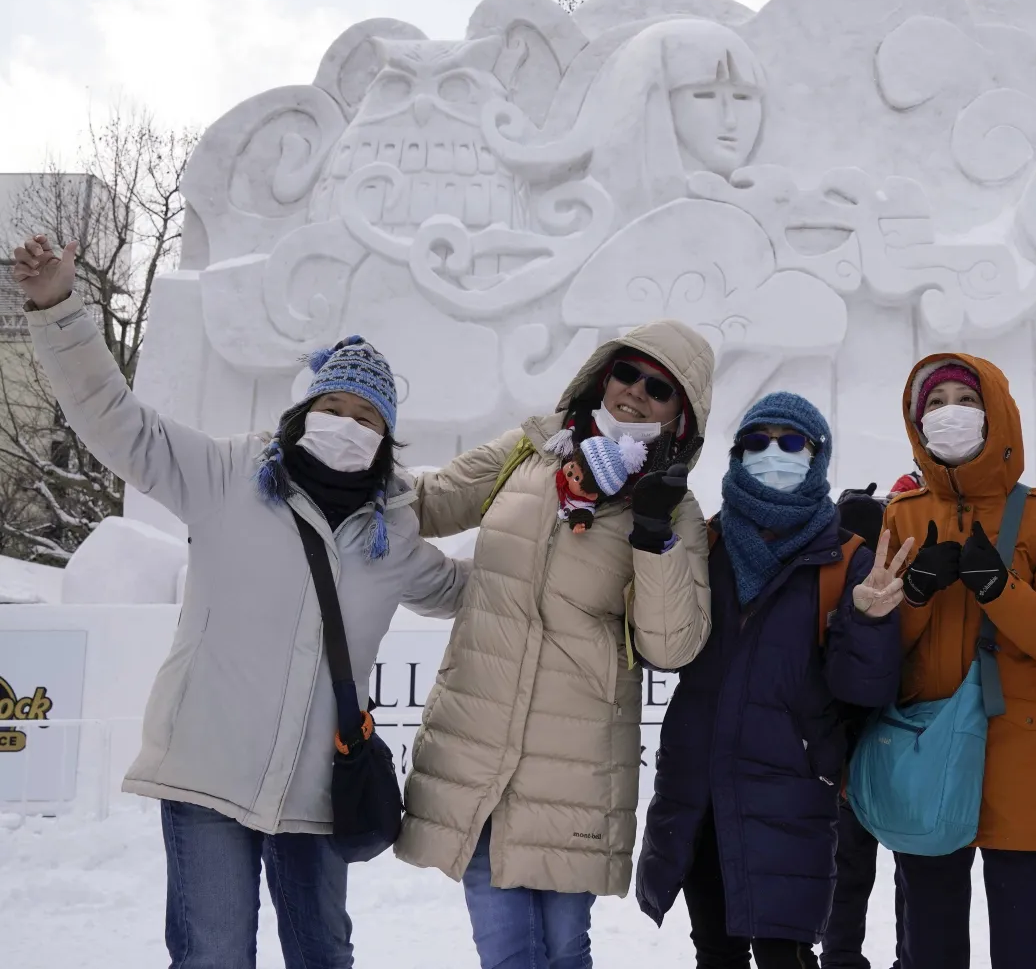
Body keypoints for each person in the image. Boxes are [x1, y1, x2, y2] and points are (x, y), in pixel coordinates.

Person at [10, 235, 468, 969]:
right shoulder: (227, 474)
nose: (348, 425)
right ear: (305, 410)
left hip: (321, 793)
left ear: (385, 439)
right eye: (335, 406)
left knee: (323, 956)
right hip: (207, 777)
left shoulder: (393, 539)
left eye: (368, 417)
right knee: (213, 956)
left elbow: (474, 596)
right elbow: (115, 419)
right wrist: (58, 307)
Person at [393, 324, 715, 969]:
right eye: (628, 374)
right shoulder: (530, 451)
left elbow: (673, 643)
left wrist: (652, 534)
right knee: (508, 950)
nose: (635, 394)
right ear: (603, 376)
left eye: (660, 389)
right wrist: (341, 455)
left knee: (565, 950)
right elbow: (424, 504)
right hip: (483, 749)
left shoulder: (676, 511)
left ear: (681, 415)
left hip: (577, 766)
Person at [636, 394, 910, 968]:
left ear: (817, 456)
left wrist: (867, 619)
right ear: (738, 456)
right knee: (715, 951)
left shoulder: (847, 558)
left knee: (784, 952)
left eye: (792, 443)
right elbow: (665, 650)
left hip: (790, 792)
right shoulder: (705, 543)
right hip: (699, 788)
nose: (774, 454)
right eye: (758, 443)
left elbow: (861, 689)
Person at [881, 356, 1036, 969]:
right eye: (936, 402)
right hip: (928, 747)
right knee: (930, 939)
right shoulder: (903, 514)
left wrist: (1001, 590)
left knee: (1026, 940)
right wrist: (913, 596)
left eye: (964, 399)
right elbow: (878, 649)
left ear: (993, 412)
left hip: (1022, 748)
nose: (950, 412)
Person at [822, 484, 906, 969]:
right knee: (905, 869)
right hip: (892, 747)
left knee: (848, 869)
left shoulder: (837, 576)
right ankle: (898, 956)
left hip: (851, 753)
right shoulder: (893, 582)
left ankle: (840, 957)